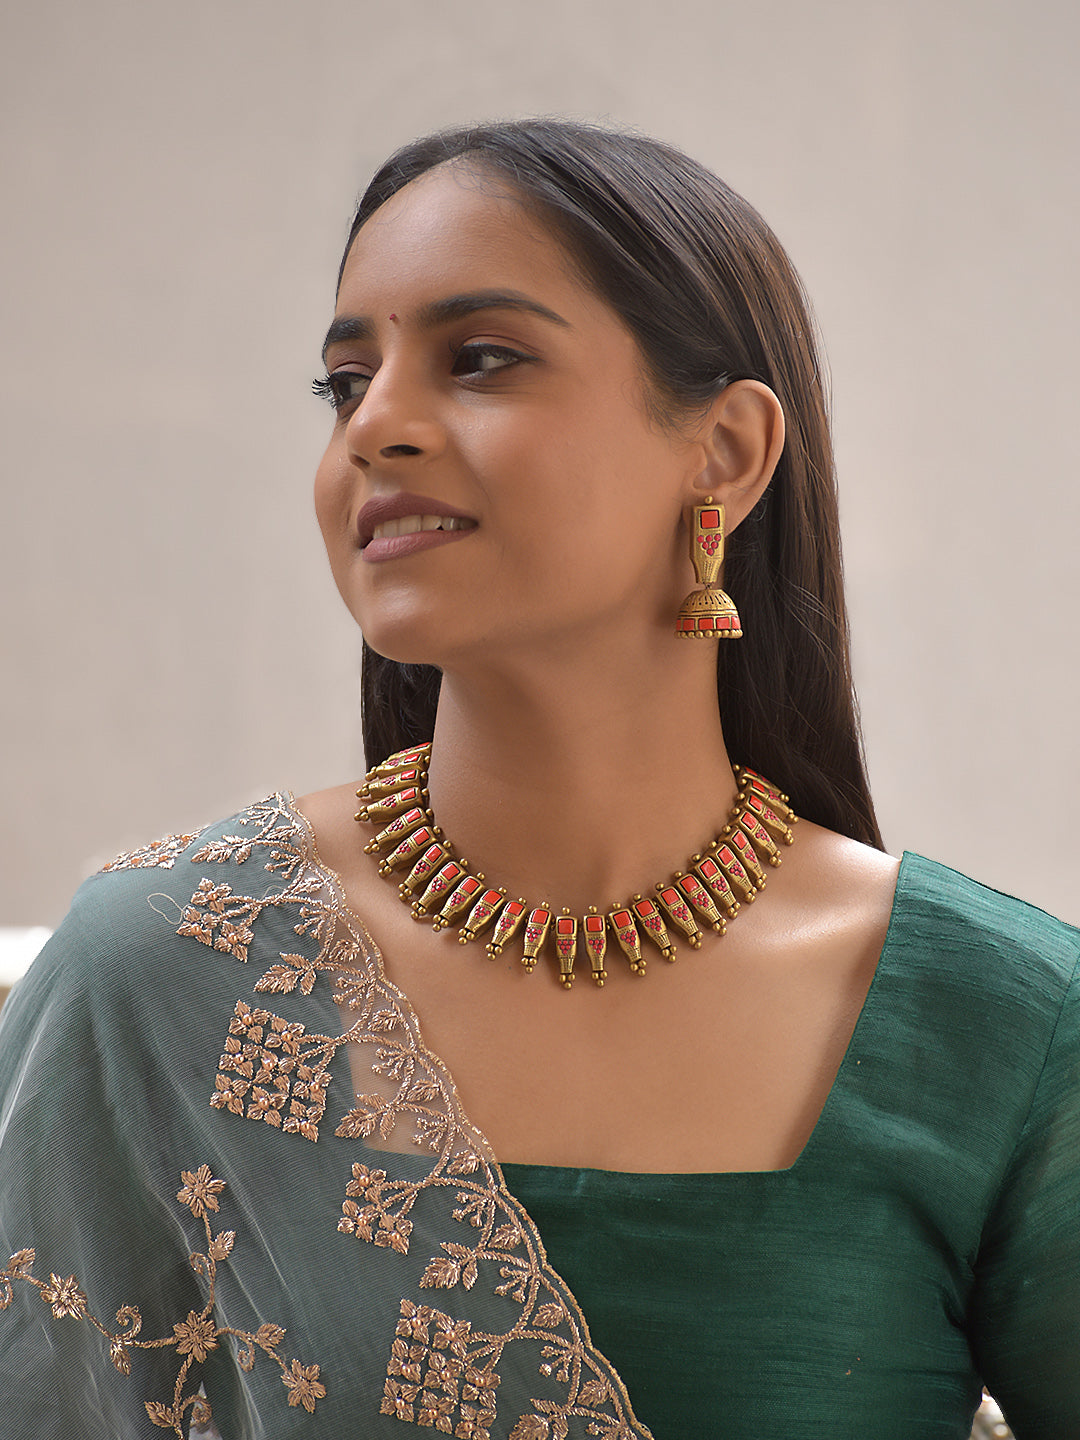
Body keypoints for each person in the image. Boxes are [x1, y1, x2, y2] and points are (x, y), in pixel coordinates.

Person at [0, 118, 1075, 1440]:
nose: (376, 427)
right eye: (345, 382)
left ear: (725, 453)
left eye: (481, 359)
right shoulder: (161, 974)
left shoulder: (1000, 1024)